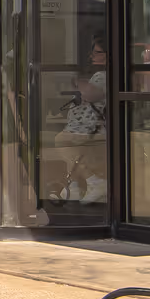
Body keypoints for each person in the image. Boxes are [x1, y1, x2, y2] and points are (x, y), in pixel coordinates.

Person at [50, 35, 109, 205]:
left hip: (92, 127)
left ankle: (94, 182)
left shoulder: (102, 75)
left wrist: (78, 81)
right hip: (86, 126)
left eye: (97, 53)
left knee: (62, 141)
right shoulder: (99, 75)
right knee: (69, 146)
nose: (93, 56)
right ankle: (74, 186)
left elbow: (92, 94)